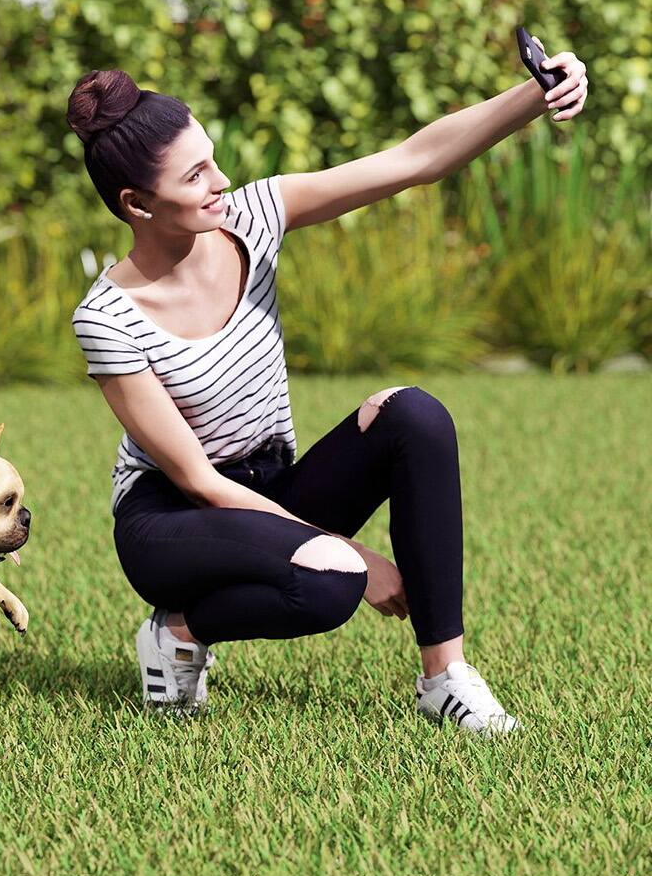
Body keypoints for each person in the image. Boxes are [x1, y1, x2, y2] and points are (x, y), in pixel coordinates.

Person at [66, 41, 590, 731]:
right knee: (331, 584)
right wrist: (354, 554)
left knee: (415, 417)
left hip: (267, 484)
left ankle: (446, 678)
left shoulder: (250, 219)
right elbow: (197, 480)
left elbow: (413, 162)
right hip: (173, 521)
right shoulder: (107, 318)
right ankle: (180, 630)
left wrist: (535, 94)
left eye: (214, 159)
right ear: (136, 203)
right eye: (196, 177)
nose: (221, 182)